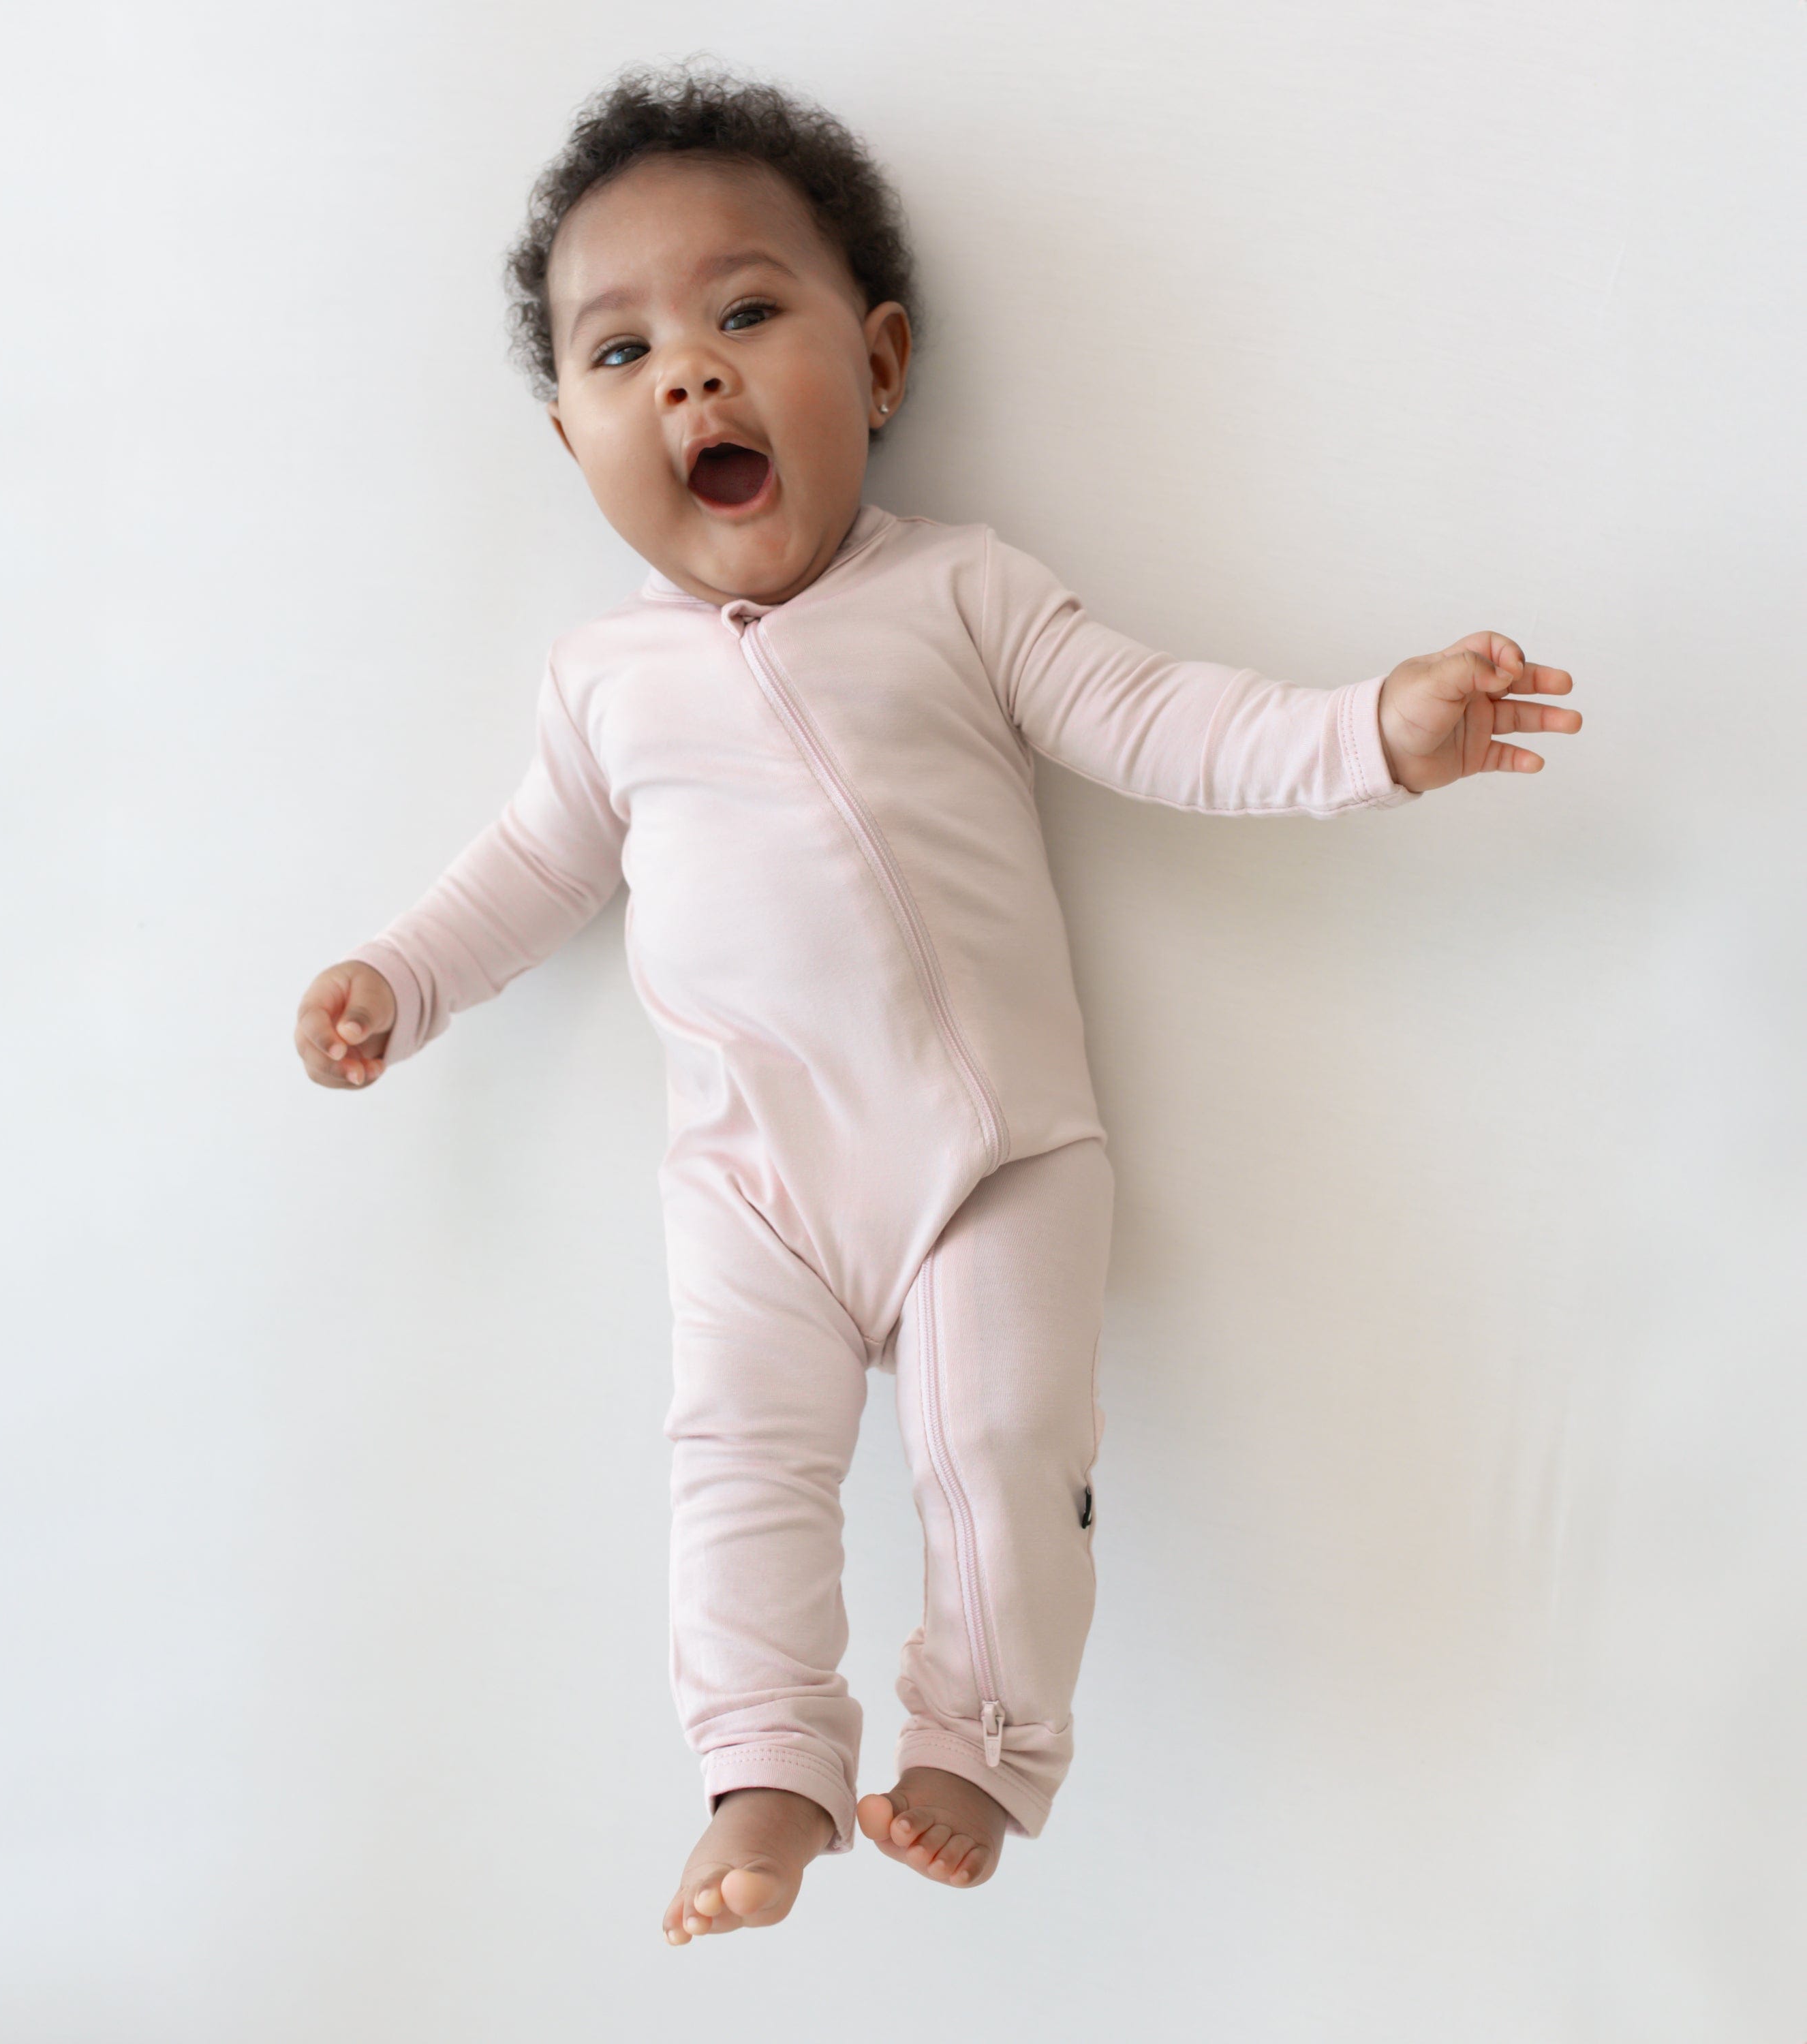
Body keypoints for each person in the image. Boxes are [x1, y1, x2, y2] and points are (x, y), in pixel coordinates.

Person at [290, 57, 1581, 1946]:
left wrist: (1368, 736)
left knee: (999, 1447)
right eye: (622, 352)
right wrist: (399, 978)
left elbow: (1163, 722)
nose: (692, 377)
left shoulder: (963, 597)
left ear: (880, 364)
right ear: (573, 440)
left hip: (993, 1150)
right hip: (753, 1186)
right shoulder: (601, 687)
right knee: (732, 1462)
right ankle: (762, 1774)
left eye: (748, 314)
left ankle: (979, 1741)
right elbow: (532, 875)